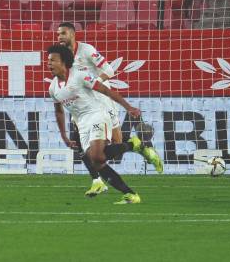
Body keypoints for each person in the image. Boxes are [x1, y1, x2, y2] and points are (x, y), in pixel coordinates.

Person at [56, 22, 163, 197]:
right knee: (79, 139)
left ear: (73, 34)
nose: (60, 37)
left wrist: (94, 82)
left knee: (115, 142)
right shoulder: (62, 56)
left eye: (63, 33)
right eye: (58, 34)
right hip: (84, 104)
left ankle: (134, 144)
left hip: (102, 100)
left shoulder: (87, 50)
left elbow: (109, 69)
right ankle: (97, 181)